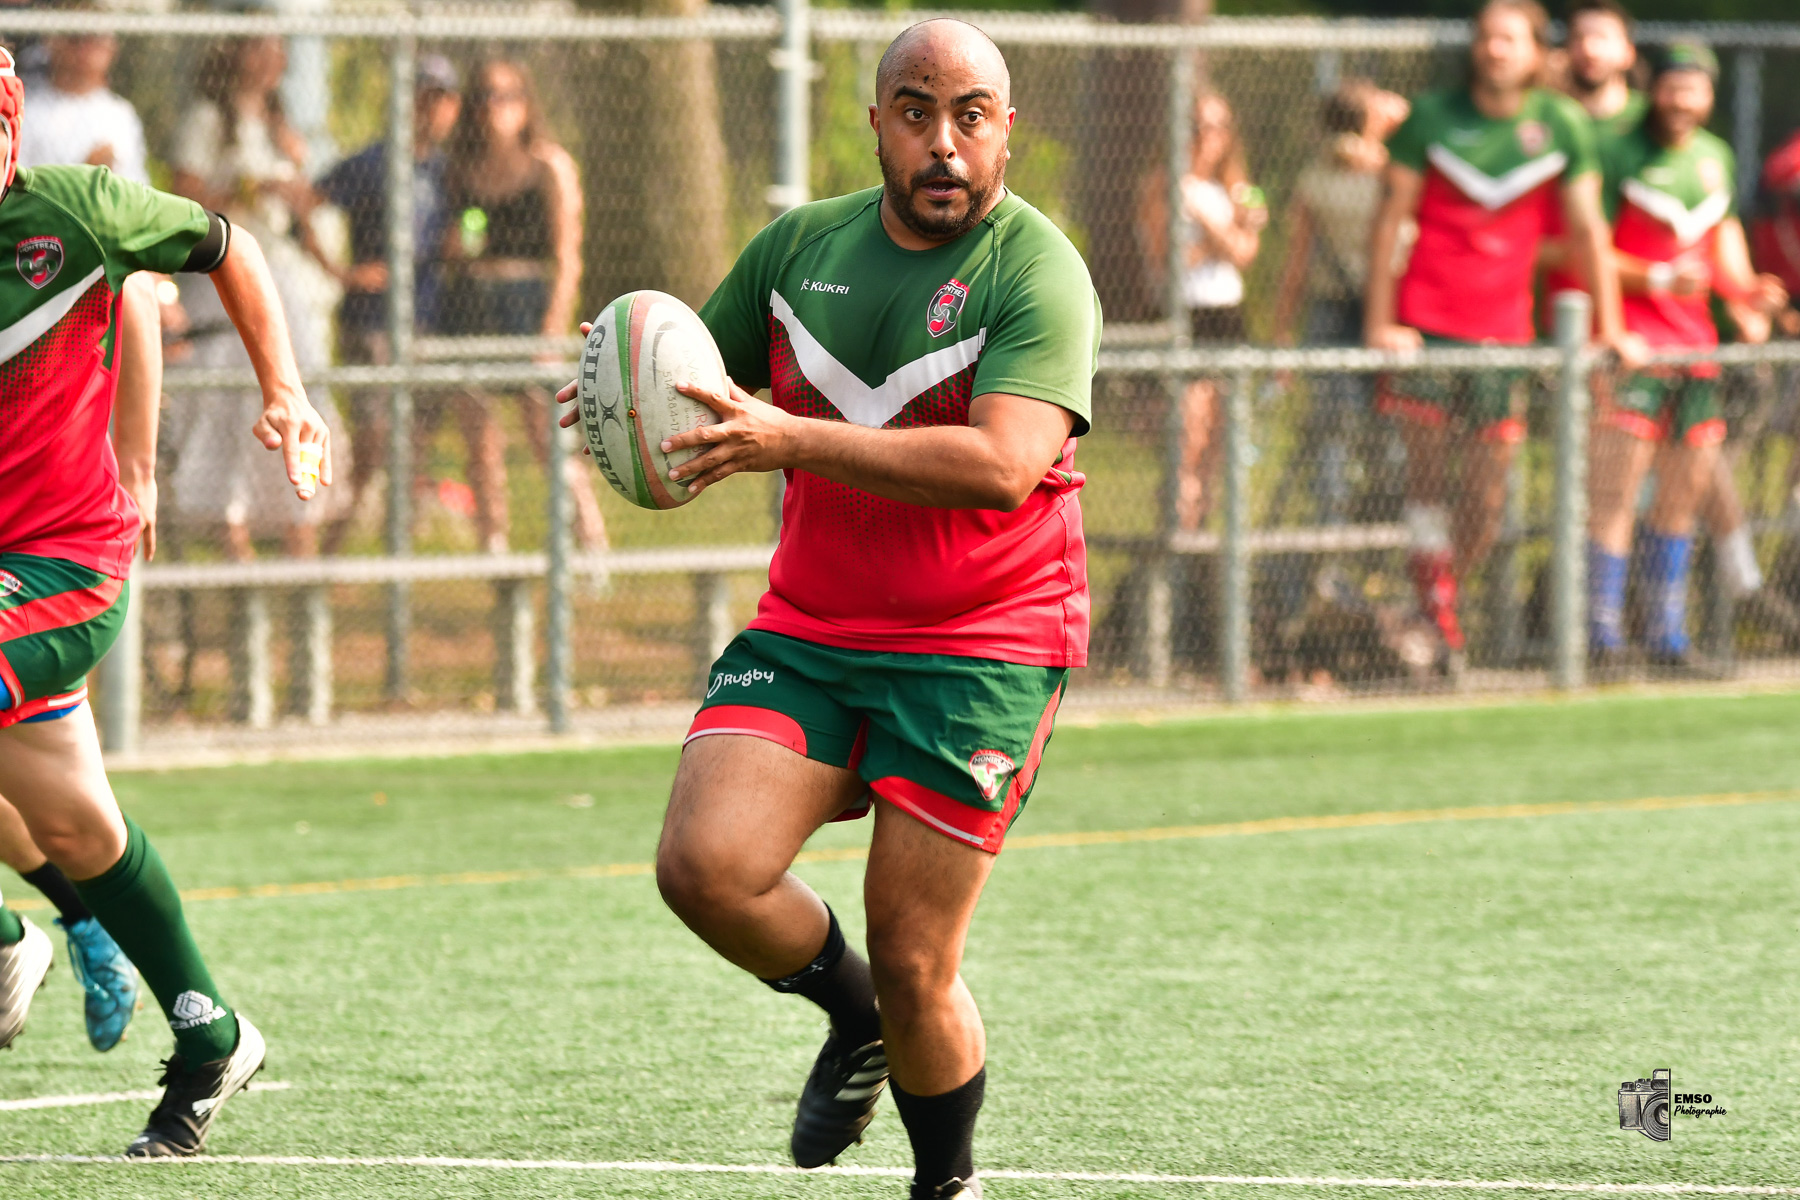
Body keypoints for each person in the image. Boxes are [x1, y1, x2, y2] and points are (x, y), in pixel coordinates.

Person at [558, 19, 1097, 1198]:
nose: (944, 144)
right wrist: (623, 390)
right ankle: (850, 1024)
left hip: (983, 640)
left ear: (1006, 127)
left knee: (916, 958)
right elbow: (699, 378)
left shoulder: (1036, 268)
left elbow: (1003, 466)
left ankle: (942, 1181)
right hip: (815, 627)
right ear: (878, 124)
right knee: (706, 867)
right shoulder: (802, 249)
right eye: (917, 112)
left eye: (970, 115)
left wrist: (788, 437)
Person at [0, 46, 333, 1154]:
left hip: (62, 565)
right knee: (75, 824)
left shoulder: (74, 210)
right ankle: (211, 1035)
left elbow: (203, 257)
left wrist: (279, 393)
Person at [1365, 0, 1639, 672]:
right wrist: (1380, 321)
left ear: (1537, 51)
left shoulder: (1560, 124)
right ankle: (1438, 624)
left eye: (1509, 38)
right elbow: (1387, 220)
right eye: (1485, 37)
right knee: (1425, 484)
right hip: (1426, 328)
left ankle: (1428, 609)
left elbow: (1585, 234)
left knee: (1487, 498)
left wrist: (1612, 326)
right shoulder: (1430, 117)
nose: (1494, 49)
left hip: (1505, 336)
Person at [0, 271, 164, 1055]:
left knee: (72, 814)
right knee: (56, 805)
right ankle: (73, 921)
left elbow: (135, 289)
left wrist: (138, 463)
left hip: (48, 554)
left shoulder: (57, 218)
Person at [1583, 42, 1787, 670]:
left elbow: (1720, 241)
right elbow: (1588, 248)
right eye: (1671, 87)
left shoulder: (1714, 156)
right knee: (1615, 493)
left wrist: (1747, 289)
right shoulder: (1617, 149)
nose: (1681, 100)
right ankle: (1600, 636)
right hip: (1634, 347)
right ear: (1655, 90)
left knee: (1683, 492)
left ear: (1709, 94)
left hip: (1695, 350)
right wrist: (1658, 282)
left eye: (1694, 88)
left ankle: (1667, 637)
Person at [167, 35, 347, 562]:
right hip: (221, 276)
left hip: (279, 274)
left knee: (302, 388)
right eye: (260, 47)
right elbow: (185, 202)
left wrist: (296, 192)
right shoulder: (207, 120)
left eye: (280, 48)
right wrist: (251, 189)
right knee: (227, 406)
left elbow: (304, 209)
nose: (275, 59)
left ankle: (300, 528)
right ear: (235, 53)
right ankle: (232, 538)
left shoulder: (280, 122)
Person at [441, 57, 602, 554]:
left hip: (527, 304)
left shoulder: (548, 167)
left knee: (546, 430)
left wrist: (550, 327)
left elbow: (566, 258)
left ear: (526, 103)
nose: (496, 108)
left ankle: (589, 541)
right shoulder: (461, 171)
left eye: (508, 95)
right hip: (473, 304)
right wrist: (456, 245)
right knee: (480, 432)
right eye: (486, 96)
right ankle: (493, 541)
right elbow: (457, 247)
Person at [314, 54, 461, 552]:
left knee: (415, 442)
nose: (430, 110)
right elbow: (305, 207)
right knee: (373, 442)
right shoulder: (373, 161)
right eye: (422, 98)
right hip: (373, 321)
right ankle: (326, 554)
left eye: (440, 100)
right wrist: (343, 273)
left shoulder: (445, 170)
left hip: (425, 317)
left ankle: (398, 549)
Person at [1272, 78, 1410, 526]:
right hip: (1387, 309)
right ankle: (1387, 522)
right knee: (1391, 426)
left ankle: (1331, 524)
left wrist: (1281, 331)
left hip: (1330, 308)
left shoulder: (1316, 176)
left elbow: (1296, 265)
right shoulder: (1392, 172)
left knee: (1331, 428)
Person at [1139, 91, 1264, 532]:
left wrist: (1219, 232)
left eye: (1217, 127)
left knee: (1219, 449)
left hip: (1229, 314)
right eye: (1197, 128)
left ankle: (1204, 548)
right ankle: (1176, 538)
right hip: (1187, 315)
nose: (1207, 138)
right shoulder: (1166, 184)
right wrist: (1222, 234)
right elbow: (1166, 262)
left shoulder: (1230, 186)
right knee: (1187, 446)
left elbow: (1245, 253)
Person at [16, 29, 145, 183]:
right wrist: (85, 175)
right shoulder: (28, 111)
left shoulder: (122, 113)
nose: (87, 48)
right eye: (76, 39)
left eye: (97, 38)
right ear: (52, 43)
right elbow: (16, 186)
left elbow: (139, 183)